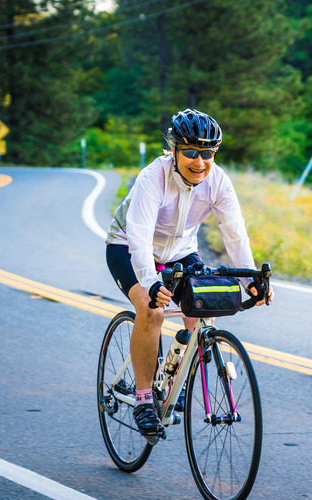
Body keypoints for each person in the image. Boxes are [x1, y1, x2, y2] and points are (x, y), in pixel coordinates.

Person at [105, 108, 274, 438]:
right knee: (152, 311)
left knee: (203, 307)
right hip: (128, 247)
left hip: (180, 251)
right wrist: (151, 283)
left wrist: (250, 279)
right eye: (192, 153)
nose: (200, 162)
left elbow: (234, 233)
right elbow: (139, 234)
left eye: (208, 153)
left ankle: (174, 375)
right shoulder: (153, 177)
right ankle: (142, 399)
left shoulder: (219, 182)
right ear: (175, 150)